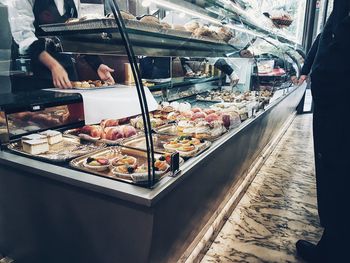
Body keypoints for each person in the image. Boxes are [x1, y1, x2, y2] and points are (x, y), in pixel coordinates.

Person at [296, 1, 350, 262]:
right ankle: (333, 240)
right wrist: (308, 68)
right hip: (333, 92)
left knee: (336, 168)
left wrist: (324, 74)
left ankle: (334, 249)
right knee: (332, 166)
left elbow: (339, 33)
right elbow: (329, 31)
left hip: (340, 95)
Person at [7, 0, 115, 89]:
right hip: (33, 73)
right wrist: (54, 66)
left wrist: (97, 64)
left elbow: (76, 34)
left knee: (68, 113)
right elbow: (24, 36)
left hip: (66, 71)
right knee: (38, 115)